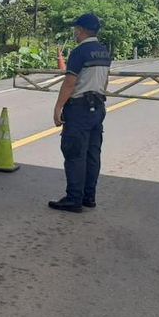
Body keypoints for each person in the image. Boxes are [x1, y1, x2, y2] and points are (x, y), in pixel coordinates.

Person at [48, 13, 112, 213]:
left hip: (80, 108)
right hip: (98, 106)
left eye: (76, 29)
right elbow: (106, 80)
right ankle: (88, 197)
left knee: (75, 152)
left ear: (82, 30)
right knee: (93, 153)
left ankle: (74, 198)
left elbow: (70, 82)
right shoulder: (104, 52)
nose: (75, 32)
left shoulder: (80, 52)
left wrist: (59, 107)